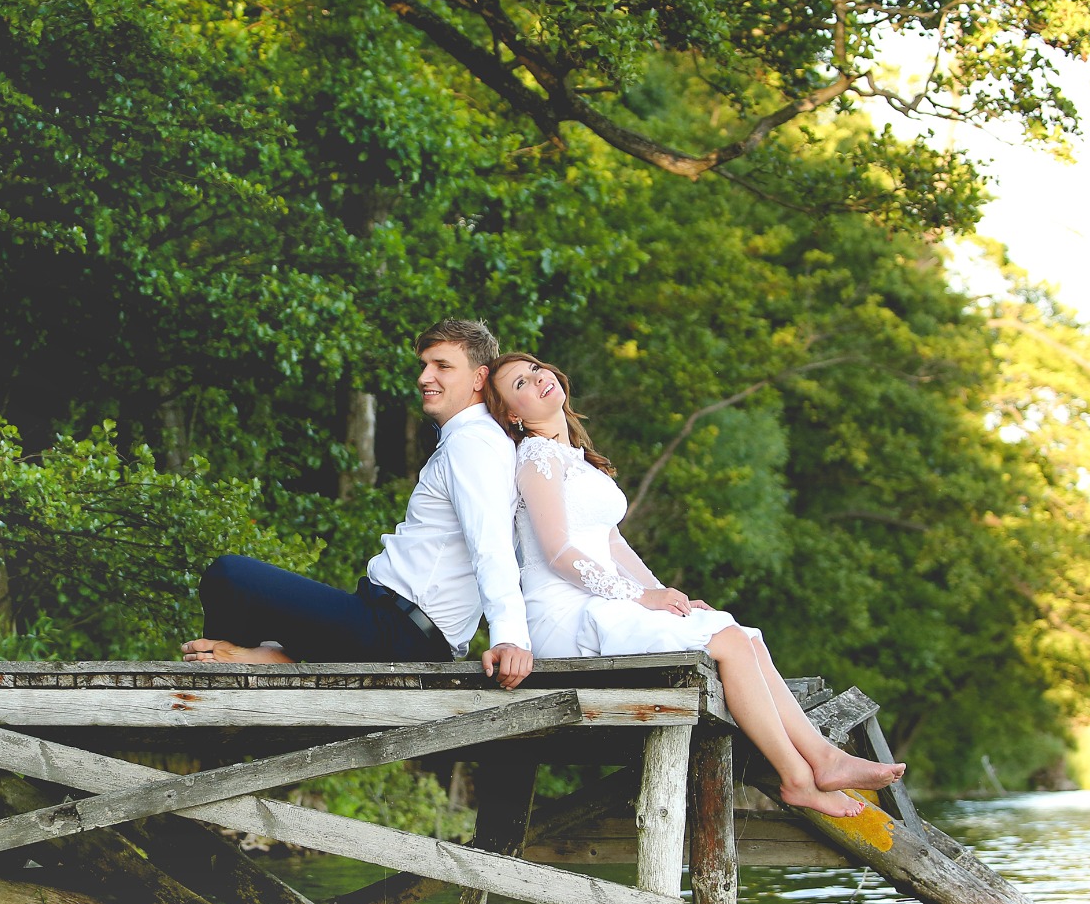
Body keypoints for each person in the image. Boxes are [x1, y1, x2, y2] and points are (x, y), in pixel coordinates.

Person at [483, 352, 902, 817]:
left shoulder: (575, 459)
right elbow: (559, 552)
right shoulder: (537, 457)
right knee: (726, 640)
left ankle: (823, 760)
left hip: (601, 600)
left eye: (537, 369)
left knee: (739, 636)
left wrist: (666, 598)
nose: (537, 379)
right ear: (514, 415)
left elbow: (612, 544)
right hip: (565, 615)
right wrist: (639, 597)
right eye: (520, 383)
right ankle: (798, 777)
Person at [182, 320, 534, 689]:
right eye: (424, 365)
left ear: (479, 378)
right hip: (386, 624)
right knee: (236, 592)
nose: (425, 377)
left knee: (229, 577)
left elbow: (491, 545)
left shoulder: (473, 444)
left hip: (401, 635)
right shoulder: (468, 440)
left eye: (443, 366)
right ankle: (258, 665)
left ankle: (236, 684)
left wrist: (509, 637)